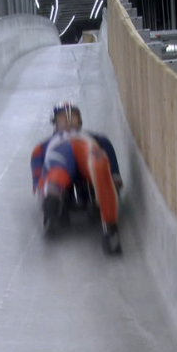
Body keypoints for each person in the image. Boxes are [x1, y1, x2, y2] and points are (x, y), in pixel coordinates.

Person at [30, 102, 122, 254]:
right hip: (60, 151)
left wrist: (115, 178)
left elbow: (109, 155)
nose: (68, 121)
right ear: (55, 123)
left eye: (72, 117)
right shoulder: (44, 145)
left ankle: (110, 226)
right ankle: (52, 198)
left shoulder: (97, 138)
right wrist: (40, 185)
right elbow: (37, 164)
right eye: (63, 118)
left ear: (80, 121)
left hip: (87, 150)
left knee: (98, 162)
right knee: (56, 168)